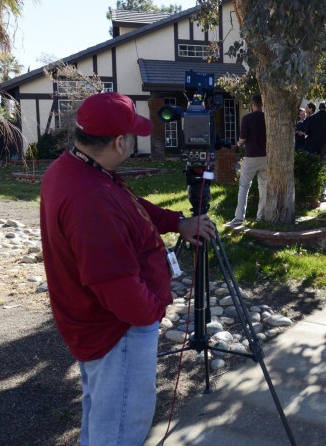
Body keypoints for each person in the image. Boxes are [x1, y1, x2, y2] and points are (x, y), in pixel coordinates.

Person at [39, 92, 216, 445]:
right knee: (120, 429)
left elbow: (131, 204)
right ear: (119, 143)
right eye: (133, 135)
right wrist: (154, 310)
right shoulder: (91, 200)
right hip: (116, 333)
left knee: (103, 421)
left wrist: (177, 222)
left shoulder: (79, 168)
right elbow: (116, 286)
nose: (135, 141)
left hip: (98, 329)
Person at [230, 94, 267, 225]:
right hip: (265, 156)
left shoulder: (247, 118)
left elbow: (243, 138)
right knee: (264, 188)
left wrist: (238, 144)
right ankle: (260, 216)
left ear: (252, 105)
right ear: (262, 104)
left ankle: (239, 217)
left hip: (251, 155)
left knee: (244, 187)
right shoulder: (267, 118)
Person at [304, 102, 326, 199]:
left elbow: (306, 131)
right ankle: (321, 195)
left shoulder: (311, 118)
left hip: (313, 148)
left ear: (319, 107)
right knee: (325, 171)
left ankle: (312, 194)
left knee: (313, 171)